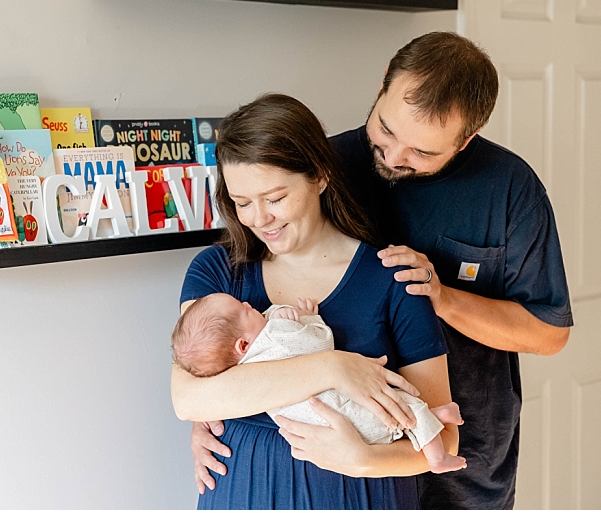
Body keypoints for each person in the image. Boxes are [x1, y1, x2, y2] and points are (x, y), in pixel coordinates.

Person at [190, 32, 574, 509]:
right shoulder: (324, 166)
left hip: (463, 446)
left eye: (423, 153)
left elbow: (549, 334)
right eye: (386, 131)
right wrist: (214, 408)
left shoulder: (509, 188)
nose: (393, 158)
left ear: (466, 140)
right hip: (340, 457)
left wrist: (442, 295)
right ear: (380, 89)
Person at [172, 93, 456, 509]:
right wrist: (334, 368)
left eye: (275, 198)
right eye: (242, 202)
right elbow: (190, 398)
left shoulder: (392, 279)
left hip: (359, 495)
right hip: (244, 492)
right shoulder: (218, 272)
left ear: (320, 176)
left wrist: (365, 460)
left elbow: (446, 434)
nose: (258, 218)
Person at [171, 292, 467, 474]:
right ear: (243, 345)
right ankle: (436, 455)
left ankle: (435, 424)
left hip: (332, 429)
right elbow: (319, 343)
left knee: (400, 412)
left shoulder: (242, 364)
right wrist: (309, 319)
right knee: (398, 408)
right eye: (245, 310)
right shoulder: (275, 335)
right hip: (343, 417)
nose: (250, 304)